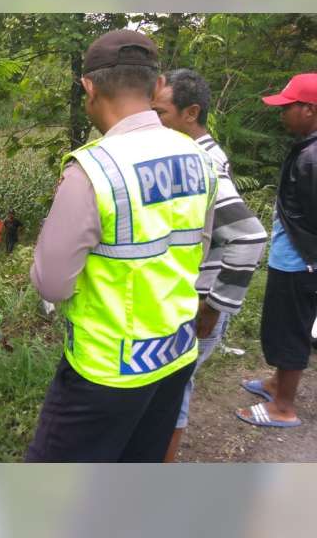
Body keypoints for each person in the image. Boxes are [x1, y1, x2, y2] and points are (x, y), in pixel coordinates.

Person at [26, 30, 217, 462]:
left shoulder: (93, 169)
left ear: (89, 87)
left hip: (106, 371)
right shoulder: (198, 156)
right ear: (156, 86)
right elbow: (197, 248)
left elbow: (52, 285)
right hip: (173, 354)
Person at [152, 69, 267, 461]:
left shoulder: (203, 166)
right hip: (192, 297)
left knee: (173, 389)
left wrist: (214, 307)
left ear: (191, 113)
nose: (154, 122)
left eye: (162, 113)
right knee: (173, 387)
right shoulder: (202, 154)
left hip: (199, 302)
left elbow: (249, 237)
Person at [236, 73, 317, 428]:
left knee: (290, 331)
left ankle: (283, 407)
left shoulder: (313, 157)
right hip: (292, 258)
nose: (281, 114)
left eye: (288, 107)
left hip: (302, 263)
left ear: (309, 109)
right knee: (279, 325)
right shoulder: (307, 147)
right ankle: (276, 384)